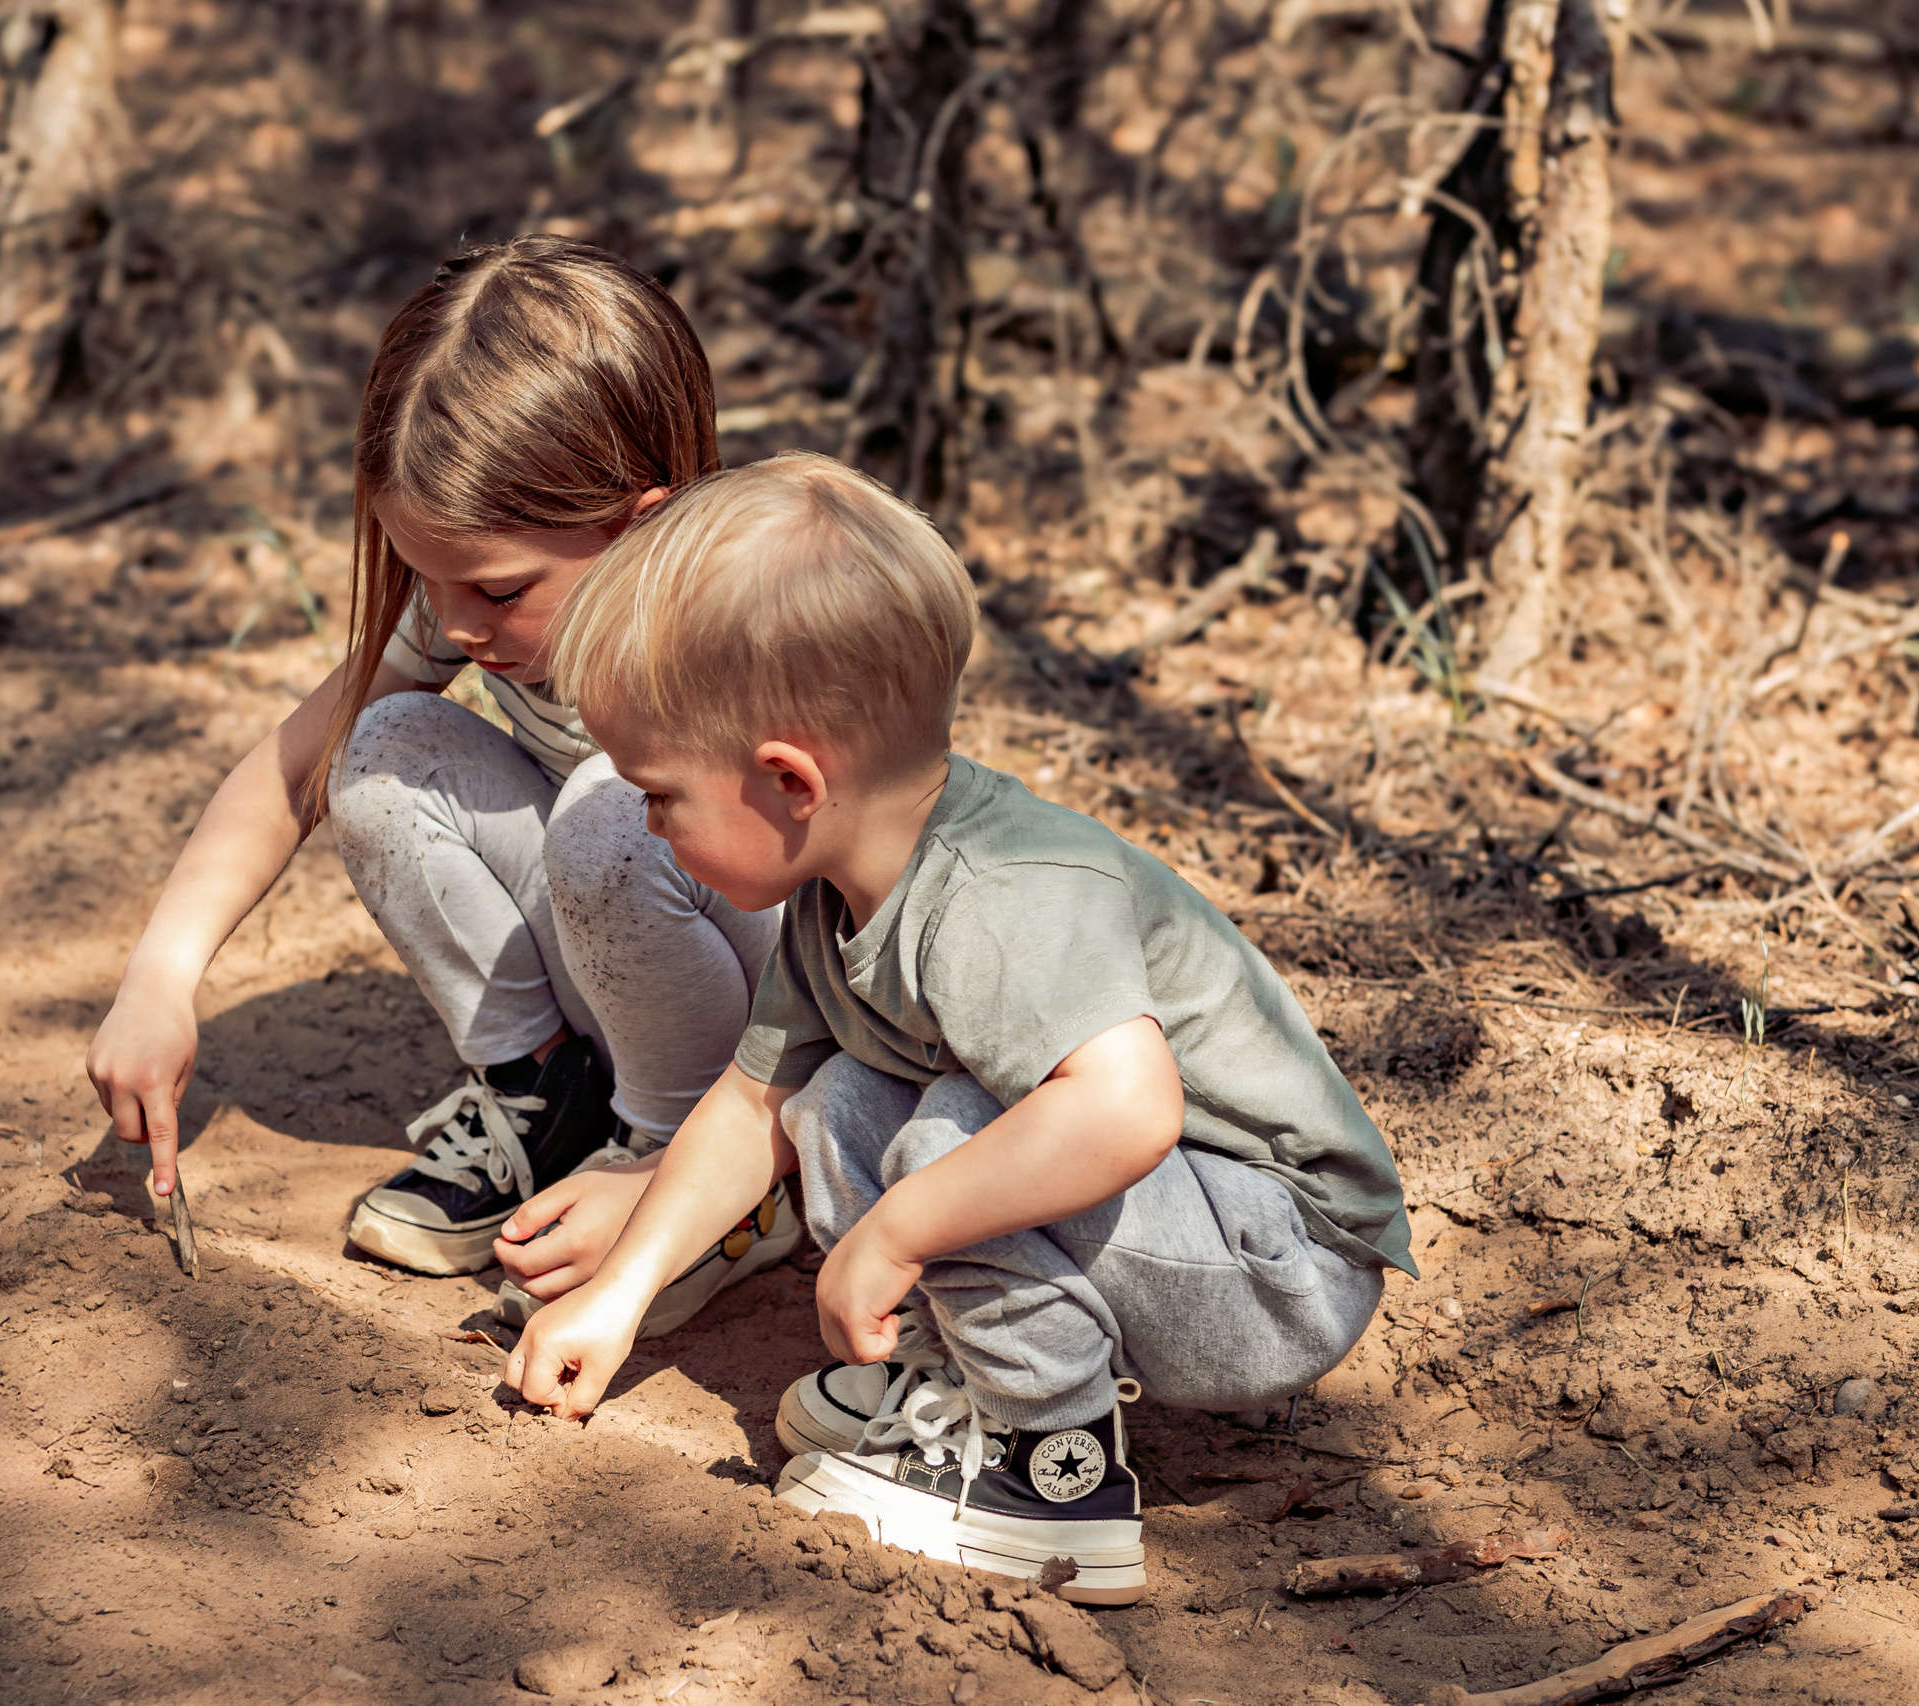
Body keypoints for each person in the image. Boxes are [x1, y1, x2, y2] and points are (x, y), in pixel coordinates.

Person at [501, 451, 1414, 1604]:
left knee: (943, 1145)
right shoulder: (839, 892)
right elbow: (751, 1102)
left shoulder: (999, 892)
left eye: (659, 791)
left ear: (789, 780)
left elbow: (1125, 1107)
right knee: (836, 1099)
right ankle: (970, 1377)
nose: (645, 822)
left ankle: (1049, 1468)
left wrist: (894, 1233)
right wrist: (620, 1294)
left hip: (1280, 1264)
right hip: (1182, 1226)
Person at [85, 237, 799, 1331]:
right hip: (623, 942)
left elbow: (848, 917)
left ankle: (693, 1182)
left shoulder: (752, 623)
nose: (457, 624)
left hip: (767, 1032)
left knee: (614, 810)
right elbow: (293, 770)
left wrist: (753, 1130)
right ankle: (548, 1094)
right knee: (378, 746)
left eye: (497, 589)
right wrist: (161, 975)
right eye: (428, 578)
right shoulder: (478, 606)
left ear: (640, 521)